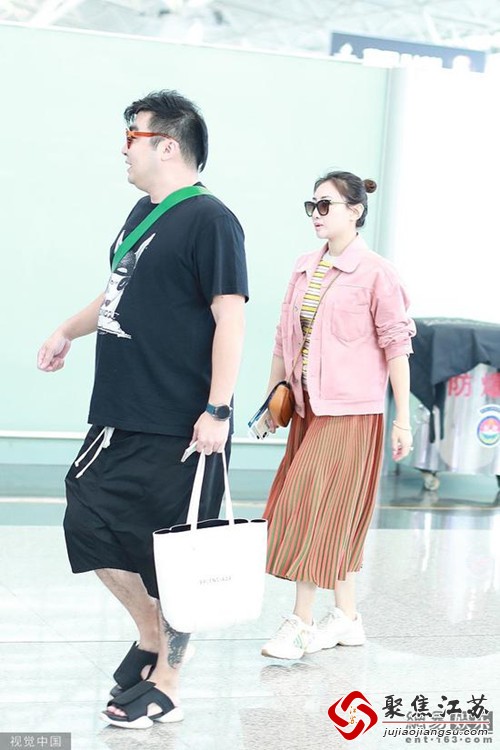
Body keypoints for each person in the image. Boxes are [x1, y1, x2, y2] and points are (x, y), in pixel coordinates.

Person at [37, 90, 248, 728]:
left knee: (174, 555)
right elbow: (117, 292)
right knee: (89, 519)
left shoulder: (211, 220)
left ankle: (170, 685)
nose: (124, 149)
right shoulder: (142, 213)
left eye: (133, 137)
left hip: (181, 420)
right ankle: (151, 635)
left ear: (168, 146)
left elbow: (230, 319)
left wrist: (217, 409)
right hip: (120, 410)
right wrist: (66, 330)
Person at [260, 170, 415, 660]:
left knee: (309, 507)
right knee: (334, 513)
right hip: (308, 408)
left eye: (326, 205)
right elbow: (283, 339)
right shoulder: (304, 267)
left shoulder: (377, 272)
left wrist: (403, 419)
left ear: (356, 211)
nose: (316, 214)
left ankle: (301, 622)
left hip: (351, 413)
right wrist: (273, 400)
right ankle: (347, 617)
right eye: (313, 205)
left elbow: (397, 346)